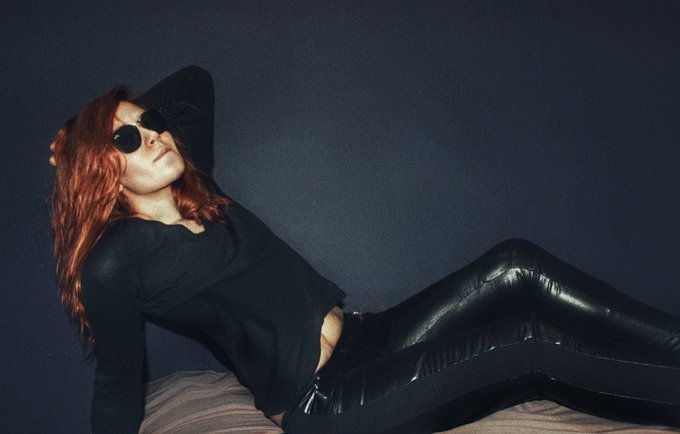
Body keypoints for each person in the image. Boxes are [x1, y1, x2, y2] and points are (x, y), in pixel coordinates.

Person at [50, 66, 680, 434]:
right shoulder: (117, 260)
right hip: (324, 402)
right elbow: (117, 383)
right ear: (100, 172)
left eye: (150, 121)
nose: (152, 135)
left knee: (514, 264)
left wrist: (99, 125)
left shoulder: (202, 191)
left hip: (365, 337)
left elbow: (195, 82)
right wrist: (83, 140)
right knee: (527, 344)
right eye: (126, 139)